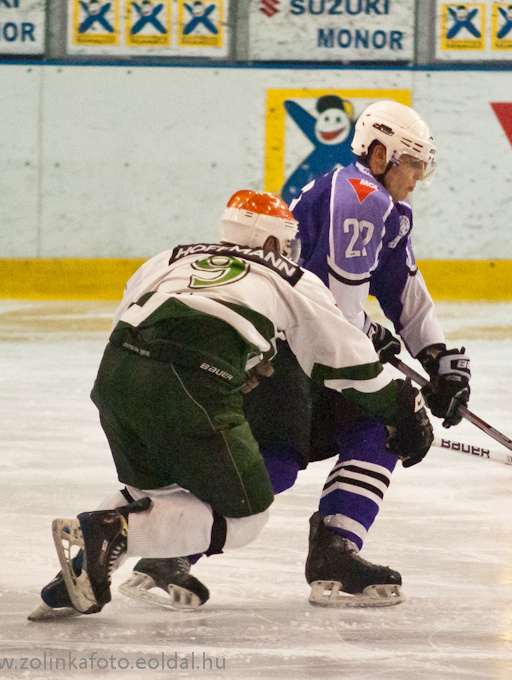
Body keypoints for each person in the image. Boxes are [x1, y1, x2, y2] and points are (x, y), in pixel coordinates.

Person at [116, 101, 472, 610]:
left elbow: (402, 289)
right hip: (293, 357)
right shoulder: (361, 196)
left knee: (291, 457)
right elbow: (342, 313)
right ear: (379, 154)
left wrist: (435, 356)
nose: (417, 176)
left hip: (285, 356)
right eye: (411, 163)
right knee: (362, 427)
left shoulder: (376, 203)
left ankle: (172, 554)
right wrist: (375, 339)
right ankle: (329, 551)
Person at [28, 190, 433, 620]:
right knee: (248, 516)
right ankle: (110, 535)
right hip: (197, 382)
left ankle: (71, 581)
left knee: (154, 494)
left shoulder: (169, 257)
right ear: (274, 243)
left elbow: (127, 322)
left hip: (116, 378)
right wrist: (402, 406)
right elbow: (348, 364)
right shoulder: (290, 276)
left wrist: (238, 360)